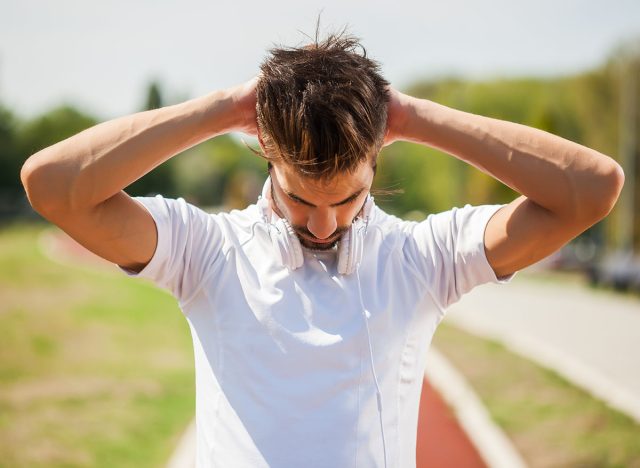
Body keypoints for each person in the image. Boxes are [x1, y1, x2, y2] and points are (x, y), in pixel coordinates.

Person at [21, 29, 623, 468]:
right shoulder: (205, 251)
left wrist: (411, 115)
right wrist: (226, 109)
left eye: (348, 197)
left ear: (377, 158)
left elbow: (592, 190)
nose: (324, 224)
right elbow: (53, 187)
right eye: (301, 198)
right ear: (266, 158)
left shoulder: (422, 258)